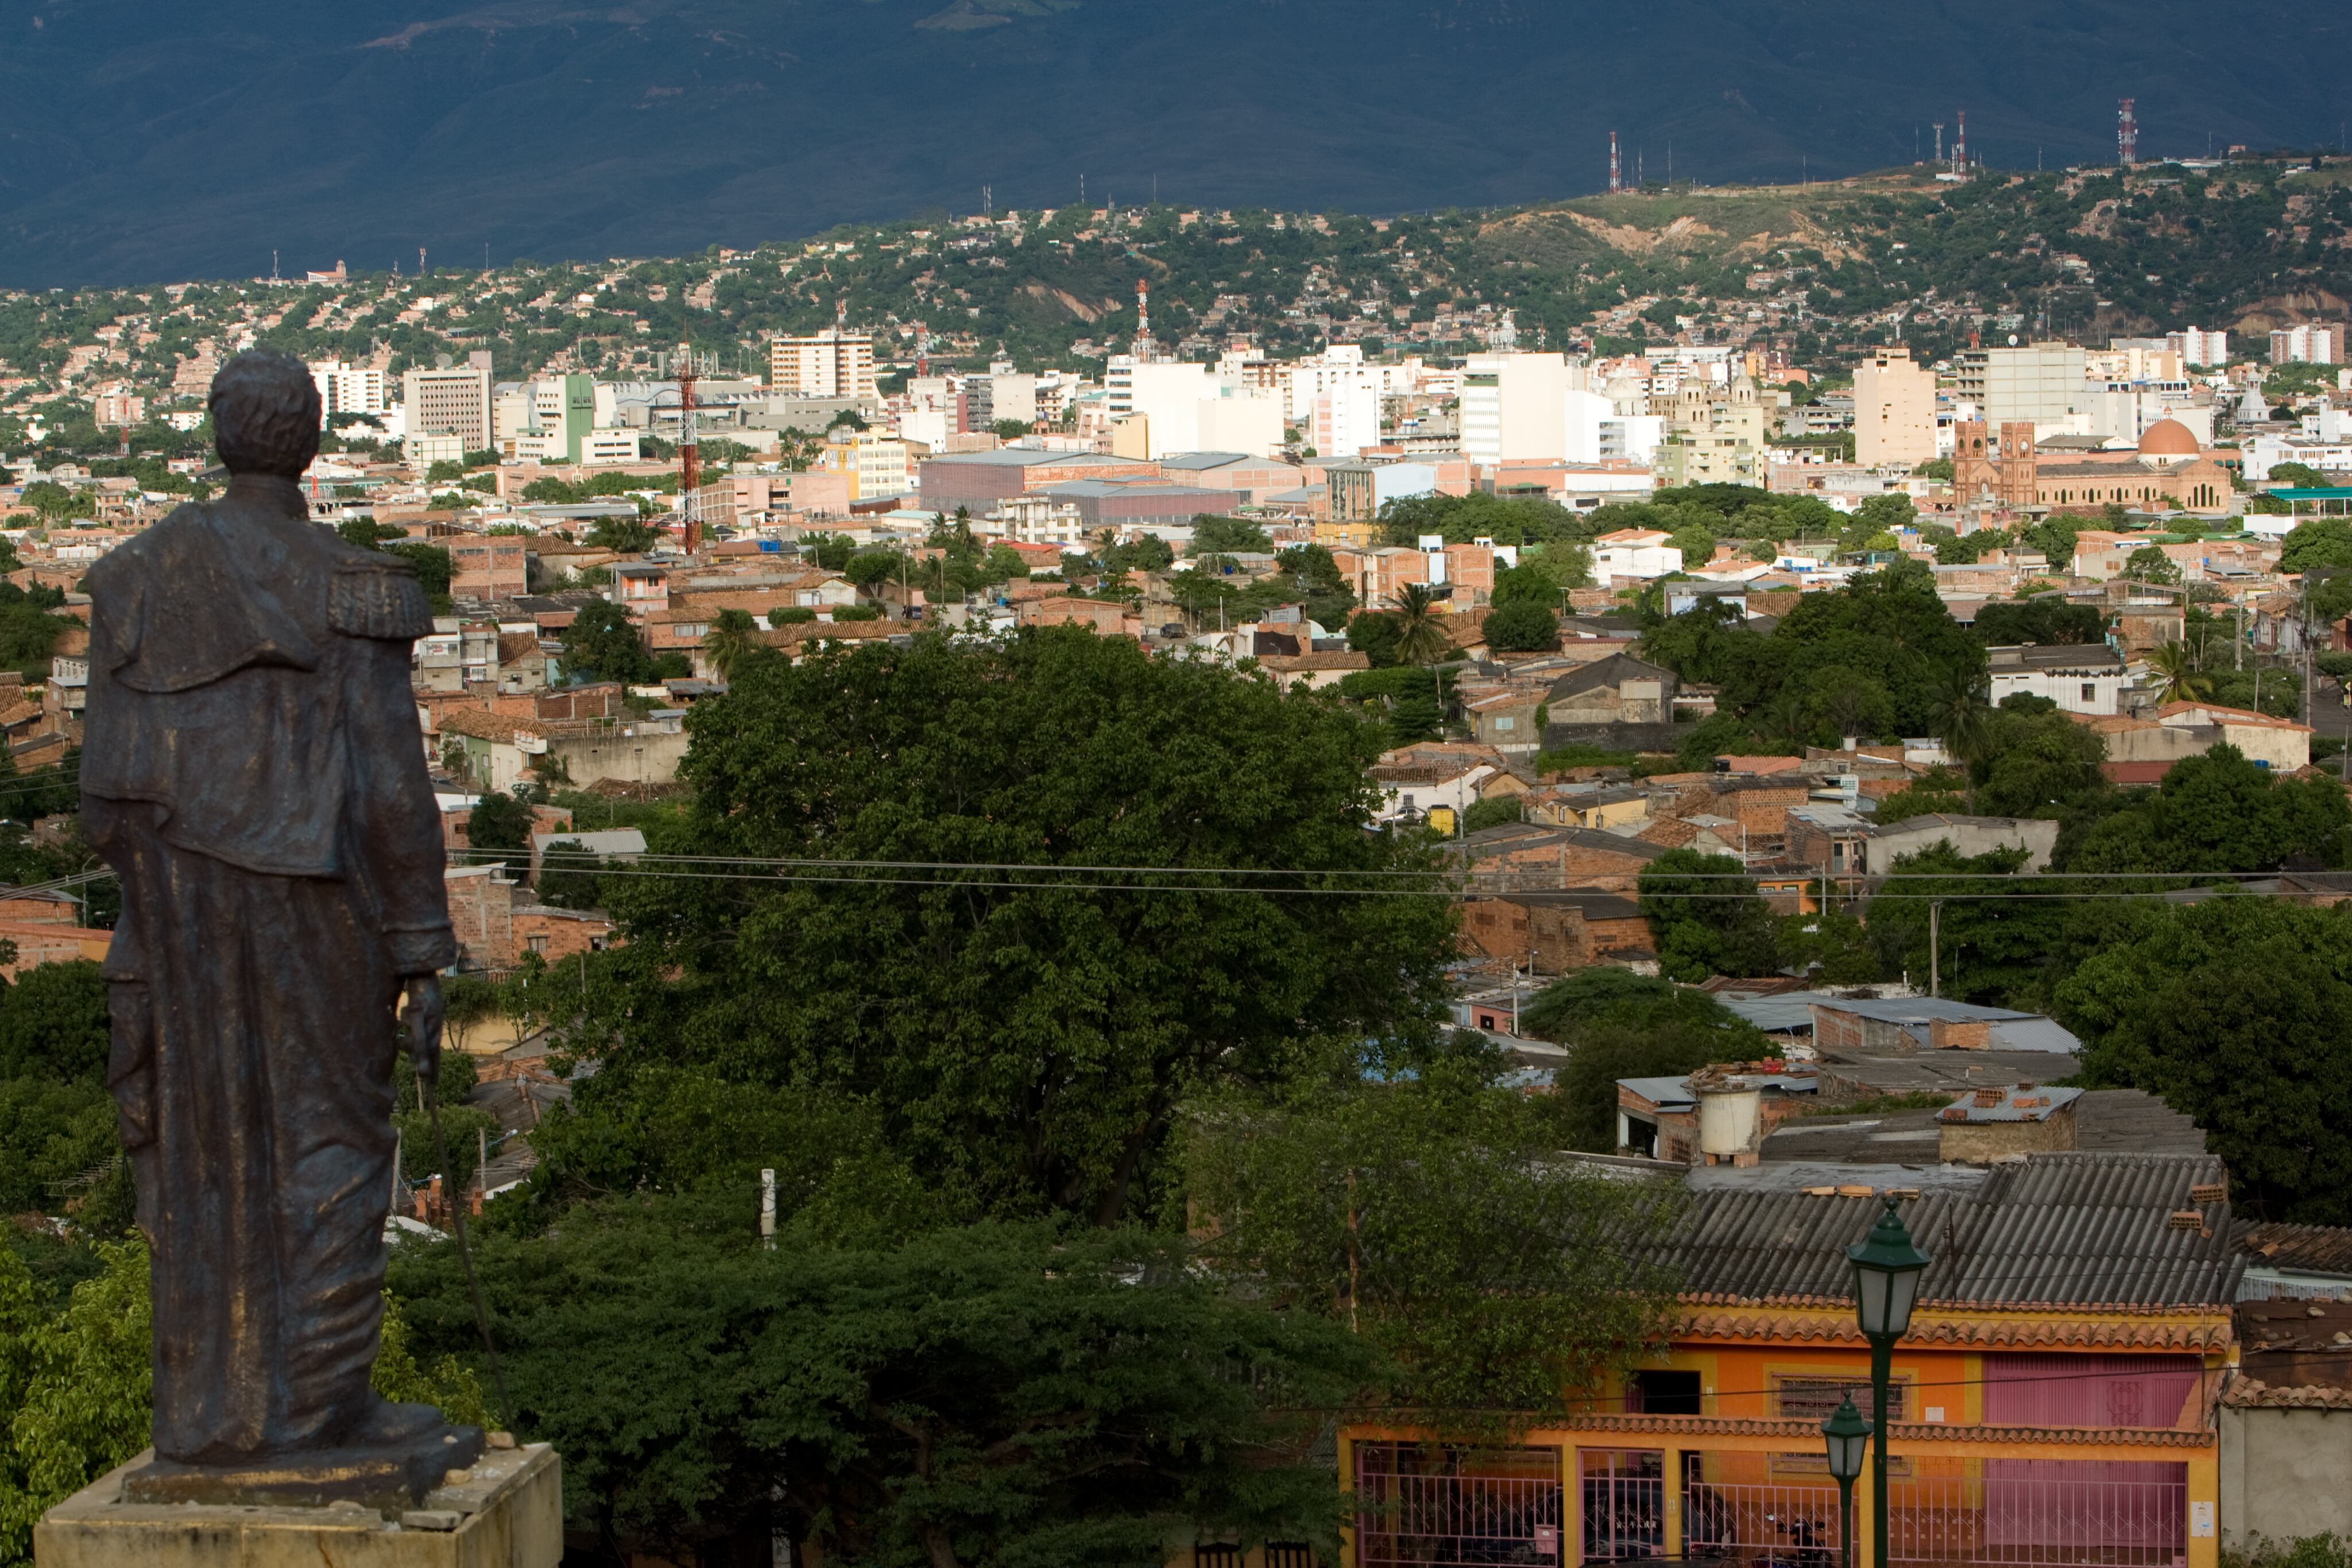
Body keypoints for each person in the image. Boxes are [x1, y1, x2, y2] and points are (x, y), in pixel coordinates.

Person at [82, 349, 481, 1499]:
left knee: (205, 1148)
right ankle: (306, 1406)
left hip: (180, 914)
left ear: (216, 434)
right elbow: (392, 785)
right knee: (329, 1140)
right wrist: (420, 943)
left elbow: (104, 796)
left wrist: (179, 880)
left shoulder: (135, 579)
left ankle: (219, 1411)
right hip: (320, 910)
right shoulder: (352, 586)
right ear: (309, 440)